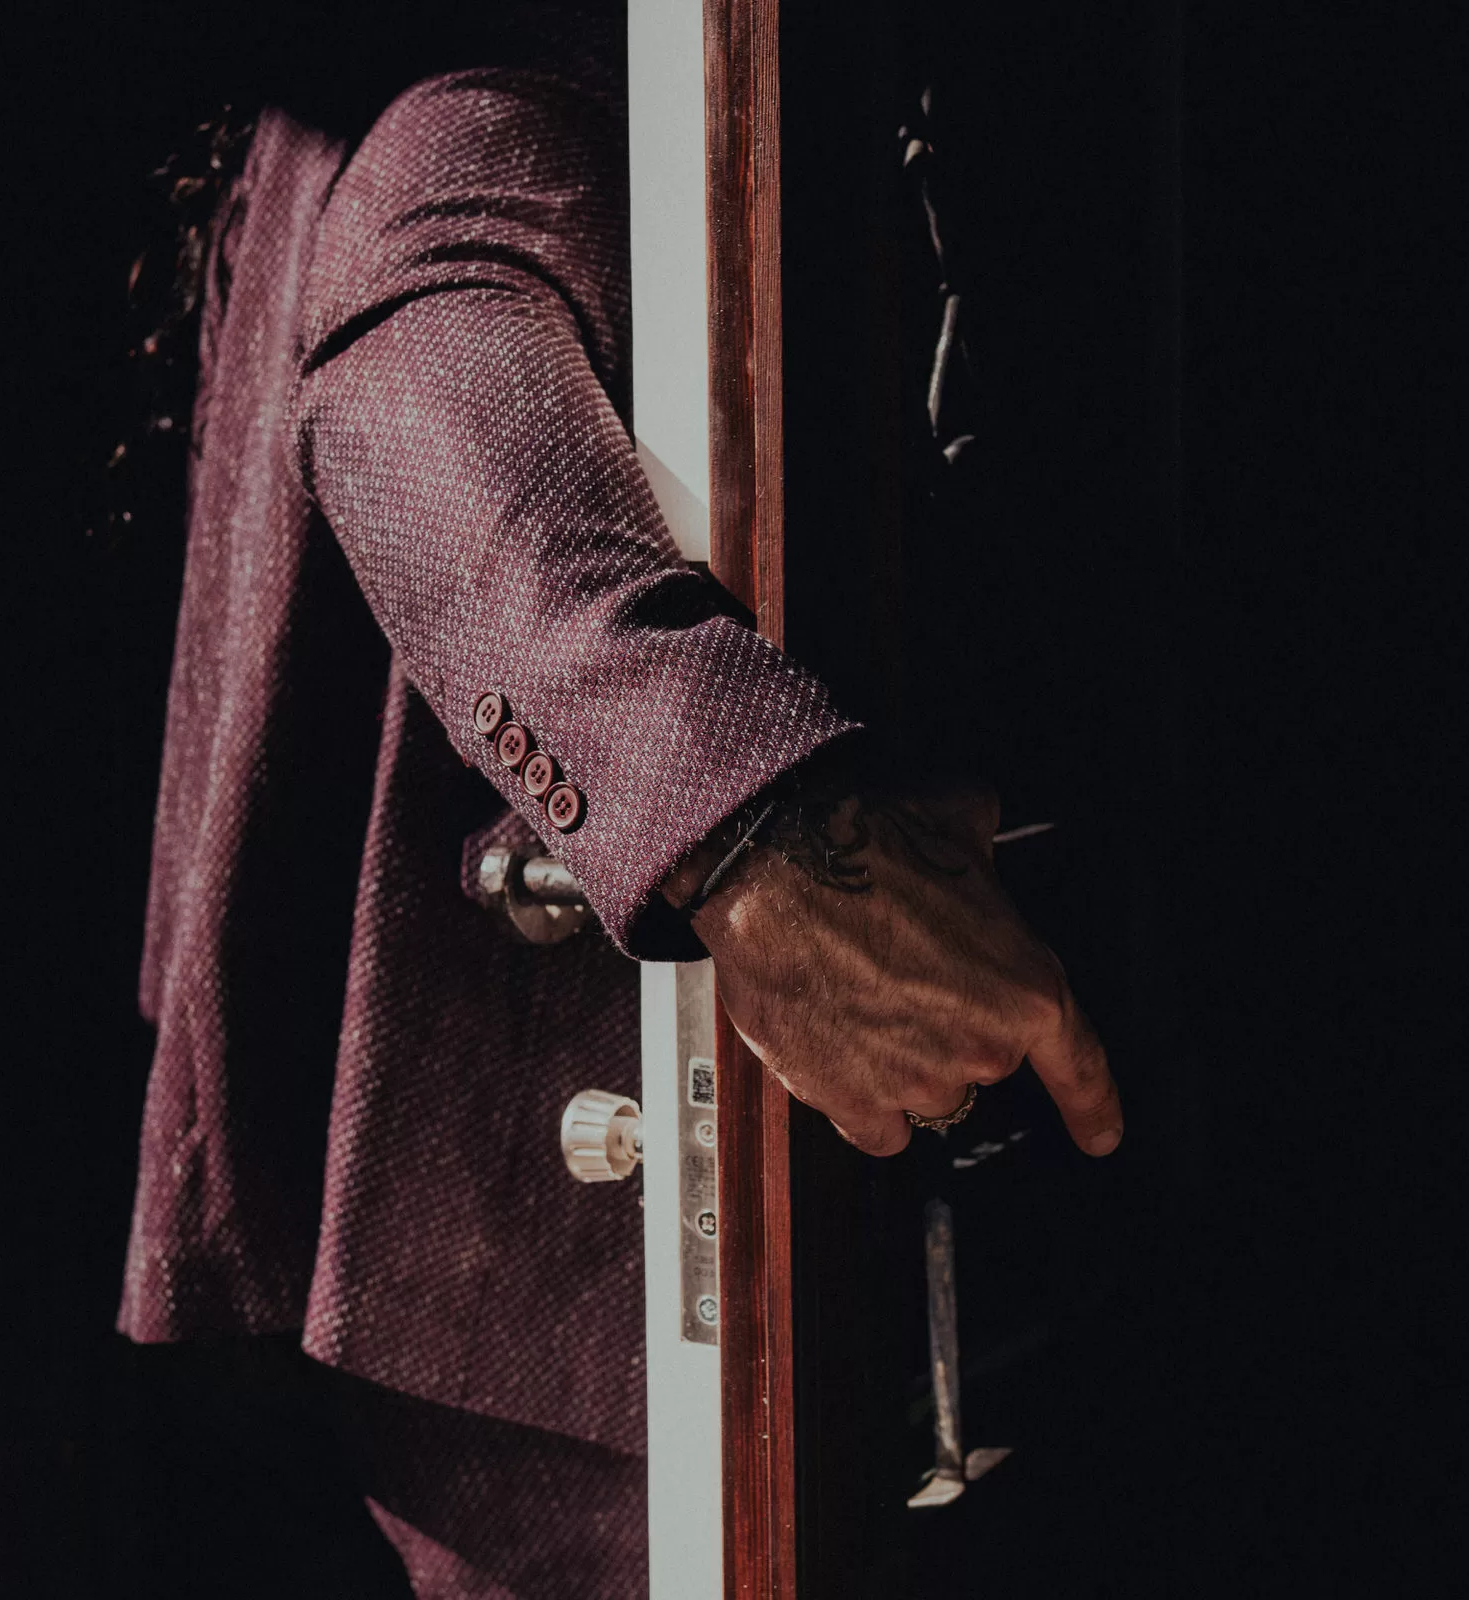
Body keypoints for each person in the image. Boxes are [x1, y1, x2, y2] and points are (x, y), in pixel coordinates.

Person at [118, 11, 1120, 1593]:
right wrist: (762, 836)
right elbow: (413, 378)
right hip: (585, 1294)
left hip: (526, 1272)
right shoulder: (535, 83)